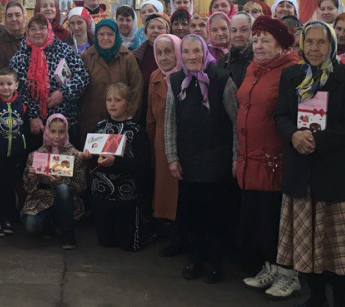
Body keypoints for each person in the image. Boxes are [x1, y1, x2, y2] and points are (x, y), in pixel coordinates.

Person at [274, 22, 345, 307]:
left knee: (337, 250)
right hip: (301, 172)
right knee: (305, 246)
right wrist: (293, 134)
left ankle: (341, 301)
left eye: (321, 42)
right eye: (309, 42)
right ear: (301, 45)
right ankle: (316, 297)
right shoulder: (291, 75)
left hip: (336, 173)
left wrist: (318, 140)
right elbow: (280, 116)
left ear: (332, 45)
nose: (314, 48)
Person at [235, 17, 301, 300]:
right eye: (256, 39)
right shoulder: (253, 68)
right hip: (250, 157)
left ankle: (289, 274)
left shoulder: (292, 70)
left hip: (274, 159)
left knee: (277, 218)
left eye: (265, 40)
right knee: (259, 219)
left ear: (280, 44)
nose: (258, 44)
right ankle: (270, 267)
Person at [165, 35, 238, 283]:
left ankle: (216, 263)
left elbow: (238, 122)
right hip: (188, 159)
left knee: (215, 215)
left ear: (205, 52)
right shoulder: (175, 81)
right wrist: (172, 157)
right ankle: (196, 261)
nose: (191, 56)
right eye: (186, 52)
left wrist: (236, 156)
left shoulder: (222, 80)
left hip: (217, 159)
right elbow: (170, 122)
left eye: (196, 51)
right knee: (193, 215)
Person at [84, 82, 155, 251]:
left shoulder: (137, 132)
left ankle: (152, 228)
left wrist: (115, 163)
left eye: (117, 100)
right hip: (101, 196)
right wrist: (87, 157)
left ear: (128, 103)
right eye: (109, 100)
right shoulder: (100, 127)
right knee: (106, 243)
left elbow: (142, 166)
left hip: (125, 197)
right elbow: (94, 161)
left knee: (128, 246)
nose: (112, 104)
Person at [10, 14, 89, 145]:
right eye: (33, 29)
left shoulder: (64, 50)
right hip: (35, 126)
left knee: (65, 163)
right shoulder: (19, 57)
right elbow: (16, 91)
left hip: (65, 122)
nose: (38, 32)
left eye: (42, 28)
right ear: (28, 31)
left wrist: (63, 93)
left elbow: (83, 76)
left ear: (49, 30)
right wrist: (32, 116)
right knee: (37, 164)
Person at [21, 114, 86, 249]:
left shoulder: (74, 155)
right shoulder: (36, 155)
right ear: (47, 132)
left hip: (66, 202)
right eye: (53, 131)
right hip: (41, 200)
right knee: (31, 225)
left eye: (61, 132)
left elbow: (81, 186)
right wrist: (33, 176)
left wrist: (61, 182)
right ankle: (49, 225)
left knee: (62, 188)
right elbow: (27, 188)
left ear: (66, 132)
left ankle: (68, 235)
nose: (57, 136)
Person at [147, 35, 183, 250]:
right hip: (160, 140)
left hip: (182, 140)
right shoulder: (155, 76)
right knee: (164, 191)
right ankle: (169, 234)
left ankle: (182, 234)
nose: (163, 57)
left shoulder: (186, 76)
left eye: (168, 51)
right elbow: (150, 117)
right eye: (159, 52)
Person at [80, 19, 144, 137]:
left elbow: (136, 88)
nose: (105, 38)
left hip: (121, 122)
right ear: (96, 36)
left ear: (116, 36)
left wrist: (129, 116)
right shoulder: (87, 56)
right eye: (101, 34)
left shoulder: (127, 57)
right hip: (91, 120)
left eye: (110, 34)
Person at [0, 68, 27, 236]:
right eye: (1, 84)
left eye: (9, 84)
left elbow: (25, 128)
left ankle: (7, 219)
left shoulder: (21, 105)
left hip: (15, 155)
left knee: (10, 188)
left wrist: (23, 149)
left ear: (16, 85)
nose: (5, 87)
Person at [133, 12, 171, 90]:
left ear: (167, 31)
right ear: (145, 31)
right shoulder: (136, 55)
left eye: (160, 28)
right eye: (152, 27)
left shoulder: (174, 53)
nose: (155, 31)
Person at [217, 12, 254, 87]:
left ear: (252, 32)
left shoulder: (259, 60)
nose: (238, 35)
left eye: (243, 30)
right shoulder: (224, 61)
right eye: (234, 30)